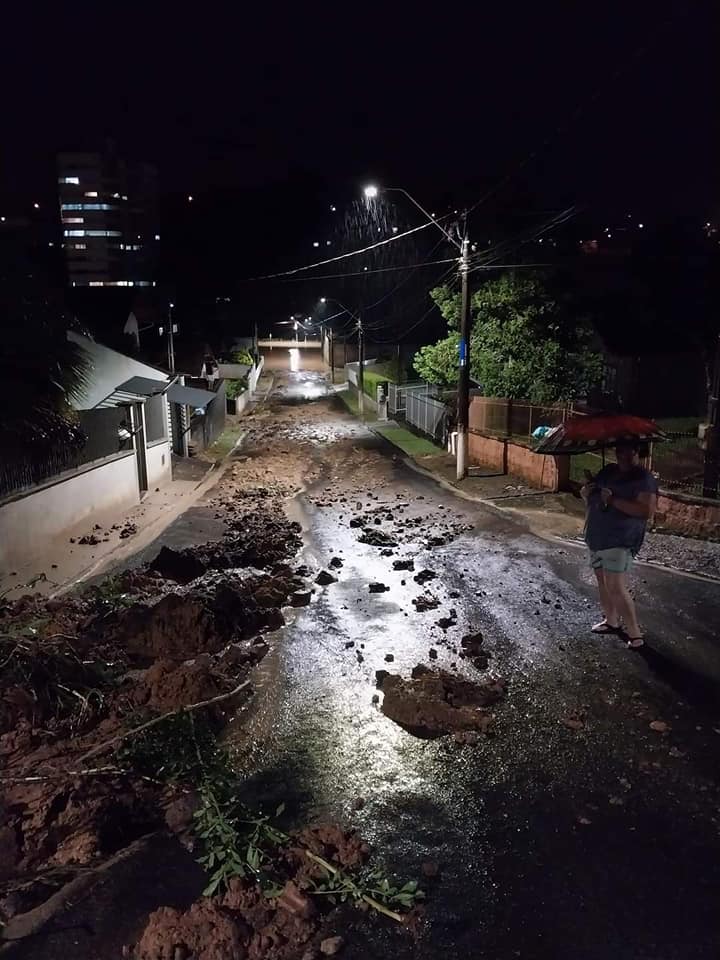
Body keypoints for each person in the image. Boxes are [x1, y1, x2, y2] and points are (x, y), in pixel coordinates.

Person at [581, 441, 658, 648]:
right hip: (596, 536)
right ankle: (611, 621)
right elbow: (596, 496)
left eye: (630, 450)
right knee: (603, 583)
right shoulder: (608, 471)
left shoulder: (643, 479)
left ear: (638, 452)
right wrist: (587, 492)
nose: (624, 454)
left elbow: (646, 511)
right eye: (620, 449)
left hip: (619, 538)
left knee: (615, 586)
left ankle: (635, 634)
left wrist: (613, 500)